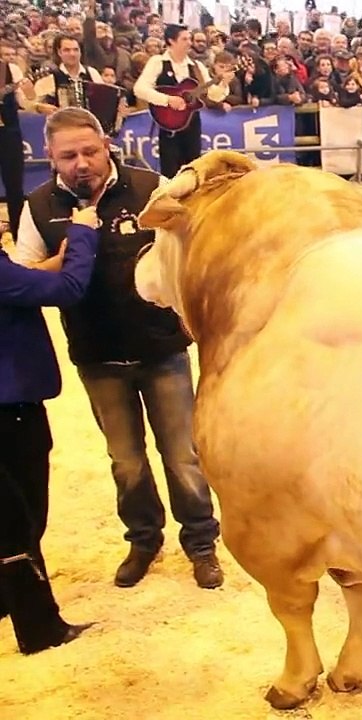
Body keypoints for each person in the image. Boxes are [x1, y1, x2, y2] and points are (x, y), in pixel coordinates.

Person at [12, 108, 223, 590]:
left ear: (107, 143)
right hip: (96, 354)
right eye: (69, 155)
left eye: (90, 150)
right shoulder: (38, 205)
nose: (82, 163)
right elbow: (24, 277)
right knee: (125, 460)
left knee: (183, 455)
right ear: (51, 156)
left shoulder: (152, 185)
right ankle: (144, 540)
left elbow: (194, 245)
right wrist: (63, 261)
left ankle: (201, 543)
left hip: (161, 347)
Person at [0, 193, 99, 654]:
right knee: (21, 521)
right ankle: (40, 628)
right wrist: (82, 232)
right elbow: (69, 291)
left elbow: (17, 280)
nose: (2, 216)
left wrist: (46, 264)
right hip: (11, 410)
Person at [133, 25, 211, 178]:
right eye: (184, 39)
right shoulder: (158, 62)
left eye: (190, 39)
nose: (189, 42)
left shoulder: (197, 66)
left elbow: (213, 95)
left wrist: (223, 84)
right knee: (170, 173)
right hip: (169, 125)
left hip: (192, 124)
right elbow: (140, 88)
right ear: (171, 41)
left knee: (193, 170)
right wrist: (167, 100)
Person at [1, 43, 36, 228]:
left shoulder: (10, 70)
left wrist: (31, 92)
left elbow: (26, 101)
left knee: (14, 186)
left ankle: (19, 233)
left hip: (8, 134)